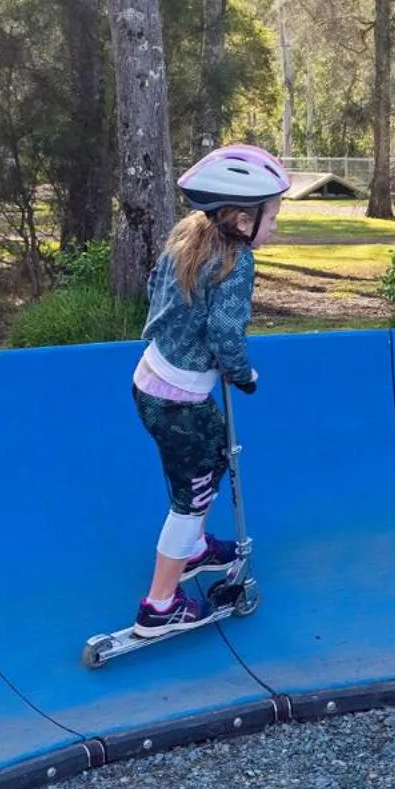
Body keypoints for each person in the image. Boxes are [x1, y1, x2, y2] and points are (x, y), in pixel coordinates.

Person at [129, 144, 290, 637]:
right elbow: (226, 332)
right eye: (273, 215)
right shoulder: (236, 261)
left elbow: (161, 288)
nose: (276, 225)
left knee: (216, 455)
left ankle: (195, 551)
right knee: (193, 495)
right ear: (243, 220)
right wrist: (243, 374)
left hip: (152, 380)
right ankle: (159, 606)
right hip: (178, 399)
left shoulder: (190, 235)